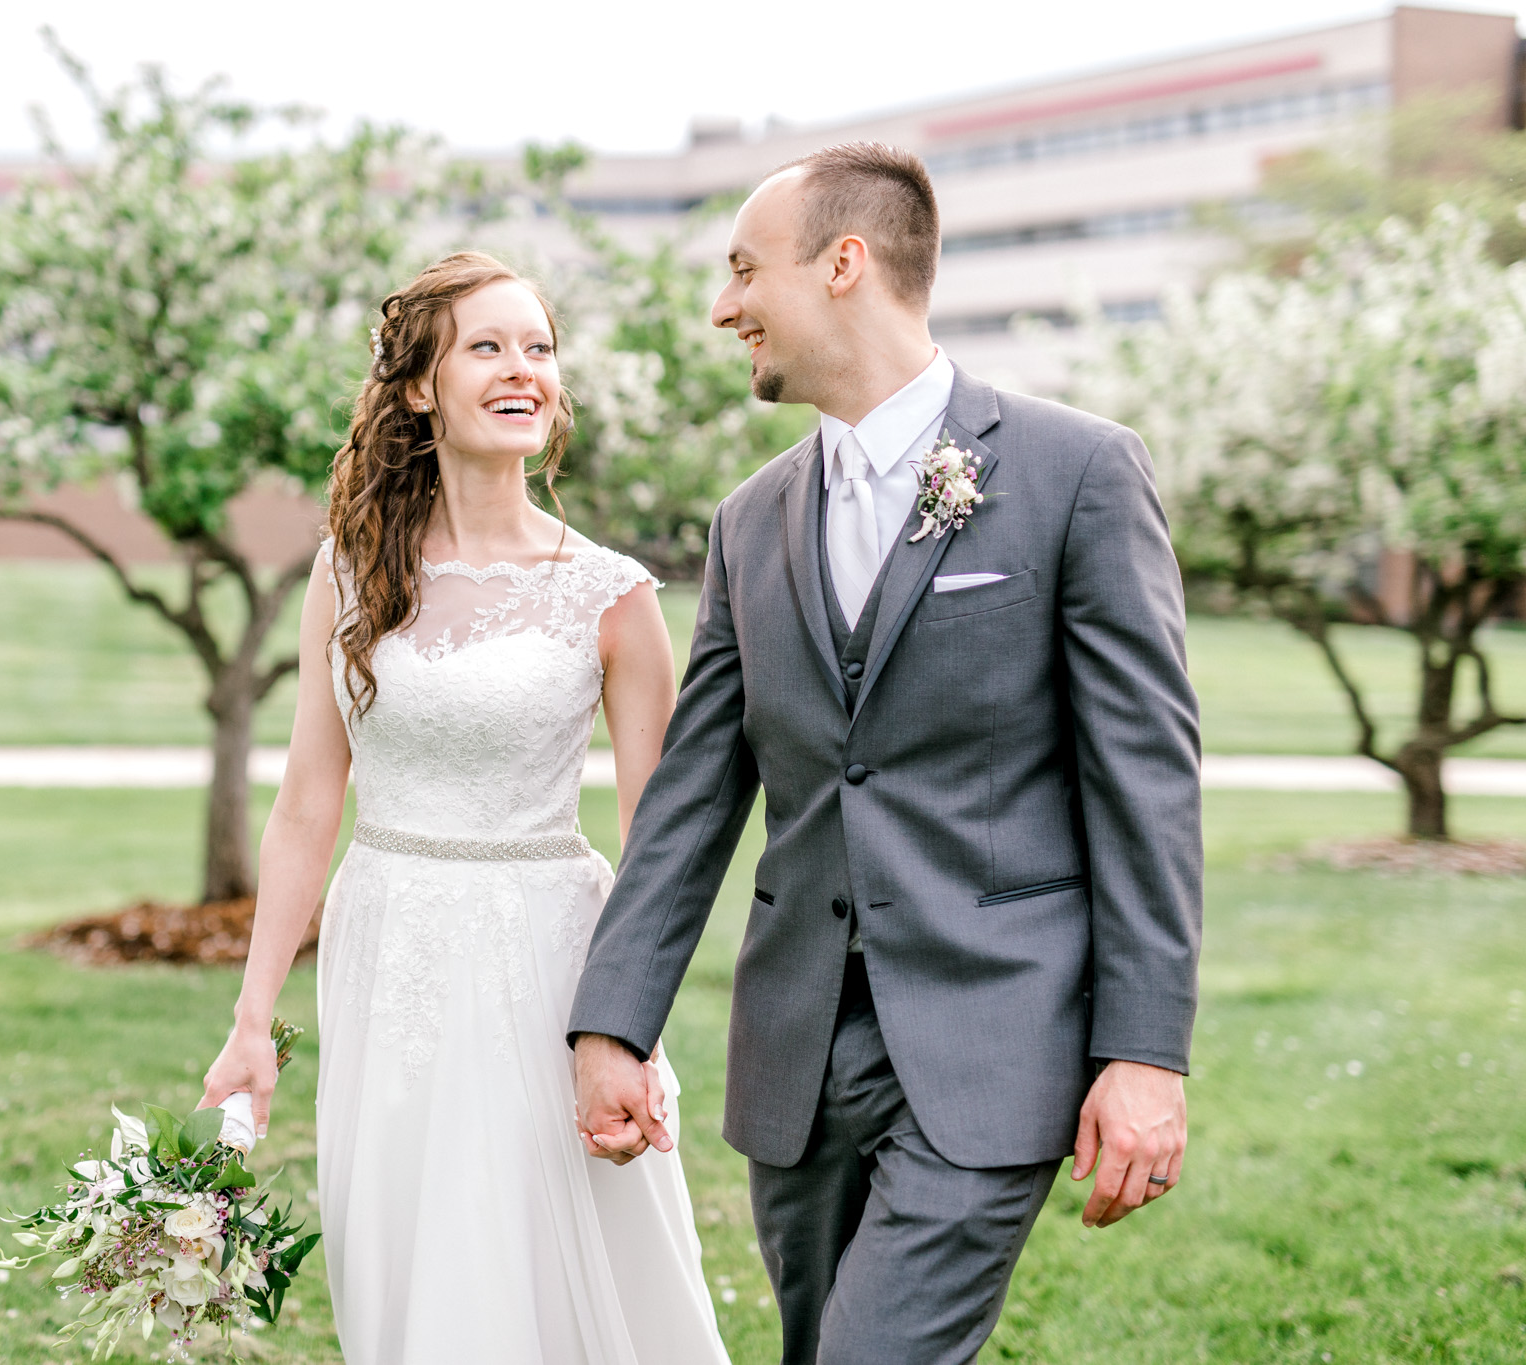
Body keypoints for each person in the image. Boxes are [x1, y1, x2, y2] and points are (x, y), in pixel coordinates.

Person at [569, 142, 1203, 1365]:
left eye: (745, 269)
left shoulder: (1075, 474)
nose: (723, 306)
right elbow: (695, 795)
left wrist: (1144, 1052)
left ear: (843, 264)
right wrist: (613, 1020)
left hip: (992, 1039)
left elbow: (1147, 788)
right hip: (796, 1059)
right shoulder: (749, 521)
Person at [200, 251, 732, 1365]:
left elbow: (660, 847)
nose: (520, 370)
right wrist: (252, 1021)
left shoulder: (613, 595)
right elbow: (306, 803)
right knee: (404, 1257)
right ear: (416, 389)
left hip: (548, 961)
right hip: (385, 944)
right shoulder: (346, 571)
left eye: (537, 348)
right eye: (486, 347)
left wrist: (626, 1031)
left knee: (543, 1260)